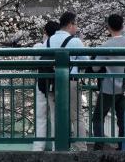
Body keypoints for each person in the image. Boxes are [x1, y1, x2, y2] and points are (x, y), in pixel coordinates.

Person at [45, 11, 89, 151]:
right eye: (76, 25)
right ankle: (80, 147)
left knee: (57, 116)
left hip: (52, 82)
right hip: (71, 82)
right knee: (76, 116)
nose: (76, 28)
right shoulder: (74, 41)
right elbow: (86, 62)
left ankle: (60, 147)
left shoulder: (48, 41)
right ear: (70, 24)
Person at [91, 14, 125, 150]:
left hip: (108, 87)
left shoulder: (106, 45)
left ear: (108, 27)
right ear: (122, 25)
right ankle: (122, 146)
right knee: (122, 119)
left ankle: (99, 145)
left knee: (98, 117)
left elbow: (95, 68)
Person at [32, 20, 60, 152]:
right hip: (55, 84)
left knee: (40, 116)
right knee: (55, 116)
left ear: (45, 32)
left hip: (41, 84)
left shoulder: (39, 46)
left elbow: (31, 61)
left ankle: (38, 147)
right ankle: (56, 146)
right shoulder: (59, 46)